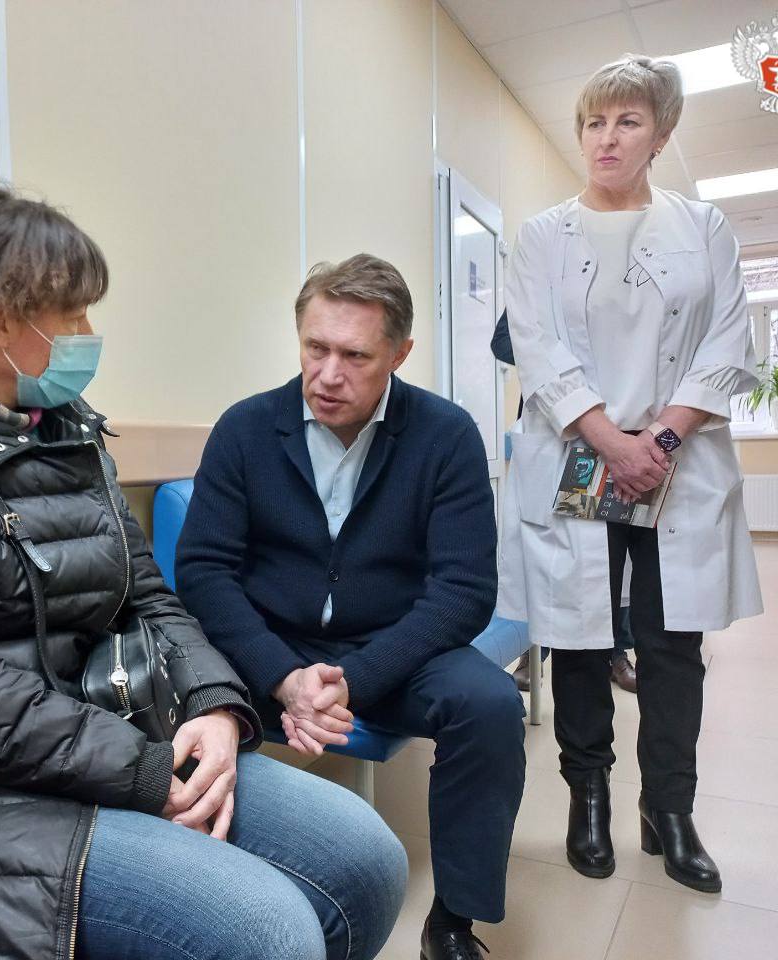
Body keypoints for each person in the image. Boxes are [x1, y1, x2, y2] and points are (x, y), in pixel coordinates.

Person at [0, 185, 407, 960]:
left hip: (107, 740)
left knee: (369, 862)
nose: (88, 337)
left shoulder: (59, 422)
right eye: (74, 315)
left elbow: (145, 592)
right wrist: (148, 772)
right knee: (272, 932)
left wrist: (214, 705)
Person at [175, 254, 524, 960]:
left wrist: (354, 680)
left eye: (356, 356)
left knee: (489, 706)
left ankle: (455, 919)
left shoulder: (446, 435)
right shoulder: (245, 429)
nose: (328, 374)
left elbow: (463, 590)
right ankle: (204, 888)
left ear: (400, 354)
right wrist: (283, 677)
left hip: (393, 650)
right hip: (267, 649)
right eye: (316, 348)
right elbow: (204, 573)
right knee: (171, 692)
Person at [499, 54, 762, 894]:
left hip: (676, 458)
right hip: (579, 450)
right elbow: (536, 347)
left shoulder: (704, 227)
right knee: (580, 639)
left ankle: (669, 810)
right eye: (593, 122)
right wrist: (612, 440)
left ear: (661, 133)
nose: (606, 138)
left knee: (672, 644)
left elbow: (728, 340)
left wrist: (662, 439)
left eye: (628, 121)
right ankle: (589, 800)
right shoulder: (541, 236)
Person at [493, 308, 638, 695]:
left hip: (616, 435)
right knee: (551, 558)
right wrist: (566, 363)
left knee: (617, 554)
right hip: (556, 434)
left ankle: (618, 653)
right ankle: (534, 654)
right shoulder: (537, 284)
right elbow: (503, 342)